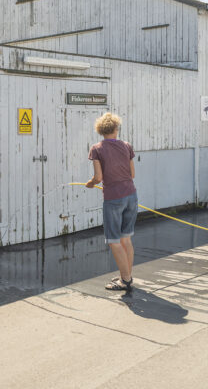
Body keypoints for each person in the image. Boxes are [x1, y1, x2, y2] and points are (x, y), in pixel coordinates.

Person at [86, 112, 138, 292]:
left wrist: (91, 184)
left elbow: (98, 177)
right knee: (126, 238)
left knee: (114, 241)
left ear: (100, 130)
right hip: (131, 195)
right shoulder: (126, 146)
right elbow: (132, 175)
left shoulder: (97, 149)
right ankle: (127, 275)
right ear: (116, 128)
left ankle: (125, 280)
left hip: (113, 198)